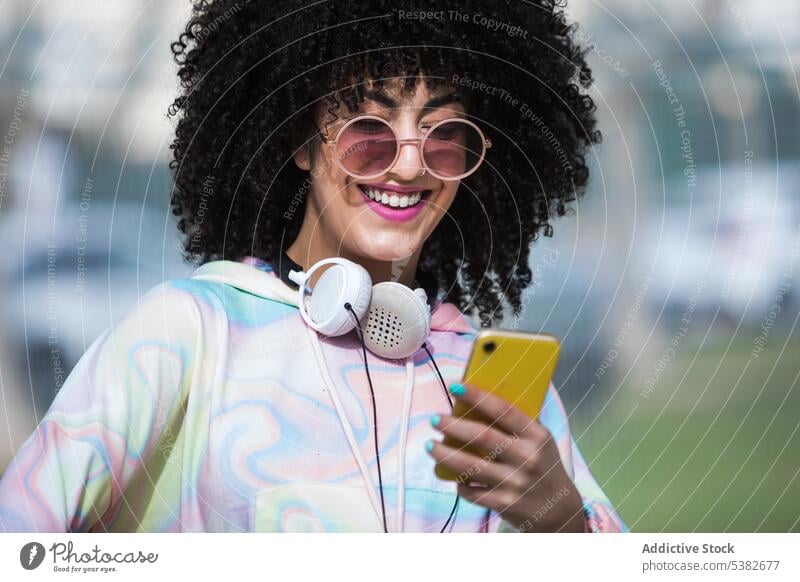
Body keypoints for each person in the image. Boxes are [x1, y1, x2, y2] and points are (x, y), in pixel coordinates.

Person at [0, 0, 627, 533]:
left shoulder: (490, 382)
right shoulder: (191, 329)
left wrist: (565, 521)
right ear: (300, 140)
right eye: (369, 129)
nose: (409, 165)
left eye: (442, 132)